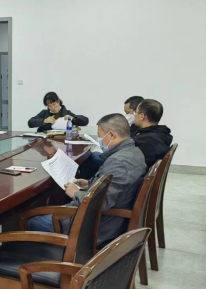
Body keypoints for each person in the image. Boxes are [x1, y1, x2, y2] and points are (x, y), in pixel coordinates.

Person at [27, 113, 147, 245]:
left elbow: (102, 203)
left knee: (32, 222)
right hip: (107, 217)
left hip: (97, 226)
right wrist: (90, 184)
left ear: (112, 135)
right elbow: (115, 187)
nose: (100, 140)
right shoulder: (135, 152)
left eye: (100, 136)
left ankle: (49, 255)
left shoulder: (118, 162)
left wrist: (76, 193)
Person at [134, 99, 173, 168]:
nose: (134, 115)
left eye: (135, 112)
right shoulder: (161, 134)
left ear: (142, 116)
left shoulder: (146, 140)